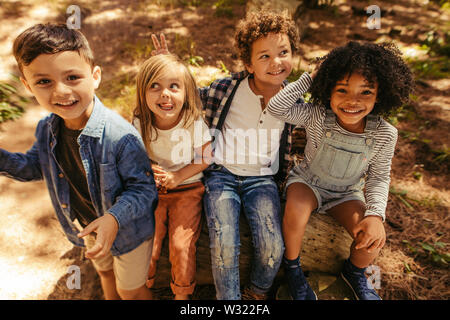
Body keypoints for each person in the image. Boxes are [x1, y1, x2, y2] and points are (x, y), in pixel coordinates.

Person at [151, 9, 301, 300]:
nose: (276, 62)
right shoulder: (228, 88)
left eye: (283, 52)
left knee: (272, 246)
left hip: (262, 179)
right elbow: (191, 94)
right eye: (264, 56)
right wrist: (169, 67)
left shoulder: (295, 101)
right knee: (224, 243)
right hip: (222, 175)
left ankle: (256, 292)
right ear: (248, 63)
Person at [1, 23, 158, 300]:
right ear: (27, 85)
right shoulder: (47, 129)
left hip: (128, 232)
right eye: (44, 81)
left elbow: (144, 190)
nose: (61, 91)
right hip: (88, 226)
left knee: (130, 290)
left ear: (95, 76)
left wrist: (113, 218)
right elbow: (33, 166)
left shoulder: (120, 137)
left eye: (72, 77)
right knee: (105, 272)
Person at [267, 41, 414, 300]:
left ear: (381, 94)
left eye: (366, 92)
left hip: (347, 193)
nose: (352, 101)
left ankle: (354, 272)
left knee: (371, 240)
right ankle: (292, 267)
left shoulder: (384, 133)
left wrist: (376, 215)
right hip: (308, 182)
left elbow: (379, 176)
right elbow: (276, 108)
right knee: (296, 212)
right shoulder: (317, 115)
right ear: (328, 90)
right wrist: (310, 78)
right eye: (342, 90)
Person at [132, 54, 212, 300]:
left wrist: (178, 176)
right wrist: (150, 169)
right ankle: (141, 288)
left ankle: (182, 294)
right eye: (154, 86)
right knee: (149, 242)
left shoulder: (192, 122)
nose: (164, 94)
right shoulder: (141, 121)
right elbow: (137, 155)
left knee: (180, 245)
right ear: (143, 93)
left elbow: (206, 158)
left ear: (186, 93)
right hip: (154, 191)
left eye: (173, 87)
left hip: (187, 190)